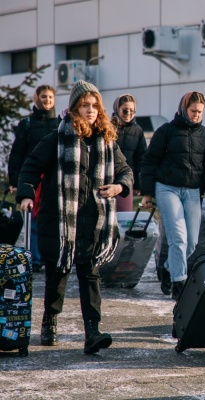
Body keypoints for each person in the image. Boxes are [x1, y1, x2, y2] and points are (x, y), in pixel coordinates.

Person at [16, 80, 133, 354]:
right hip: (60, 221)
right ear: (74, 108)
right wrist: (26, 195)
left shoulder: (107, 140)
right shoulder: (57, 138)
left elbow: (125, 170)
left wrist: (119, 187)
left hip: (93, 220)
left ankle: (92, 331)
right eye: (85, 105)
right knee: (58, 274)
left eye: (95, 106)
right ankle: (50, 320)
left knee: (90, 275)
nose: (91, 110)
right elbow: (30, 168)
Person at [140, 91, 205, 300]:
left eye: (200, 112)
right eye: (193, 111)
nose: (196, 115)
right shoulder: (166, 131)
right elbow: (149, 162)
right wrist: (147, 193)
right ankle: (178, 284)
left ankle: (168, 267)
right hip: (167, 188)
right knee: (178, 239)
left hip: (192, 191)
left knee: (191, 243)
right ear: (183, 109)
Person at [8, 84, 60, 273]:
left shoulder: (60, 123)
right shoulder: (27, 124)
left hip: (53, 179)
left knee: (53, 218)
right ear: (36, 98)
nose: (47, 100)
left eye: (50, 97)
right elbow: (17, 154)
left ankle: (52, 256)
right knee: (33, 220)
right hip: (33, 178)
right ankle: (35, 259)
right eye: (44, 96)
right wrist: (15, 181)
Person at [111, 94, 147, 211]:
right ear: (117, 109)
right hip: (107, 176)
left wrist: (138, 185)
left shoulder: (137, 130)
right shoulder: (107, 127)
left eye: (132, 111)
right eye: (125, 110)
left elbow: (140, 159)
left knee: (124, 214)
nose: (129, 114)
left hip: (126, 179)